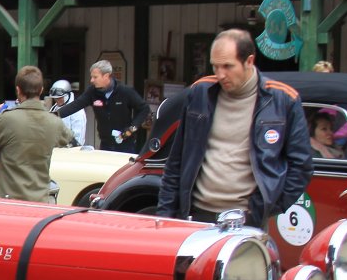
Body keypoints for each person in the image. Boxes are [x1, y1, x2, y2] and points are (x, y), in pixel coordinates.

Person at [156, 29, 314, 225]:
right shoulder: (199, 93)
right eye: (215, 66)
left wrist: (265, 208)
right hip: (196, 215)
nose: (220, 74)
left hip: (246, 219)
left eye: (228, 66)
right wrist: (164, 218)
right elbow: (176, 161)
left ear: (249, 61)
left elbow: (301, 166)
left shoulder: (283, 99)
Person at [0, 66, 74, 203]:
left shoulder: (6, 119)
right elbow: (68, 138)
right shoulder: (54, 122)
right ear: (41, 90)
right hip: (40, 200)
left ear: (18, 90)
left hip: (10, 202)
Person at [53, 60, 150, 153]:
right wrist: (52, 115)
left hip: (126, 144)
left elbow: (144, 109)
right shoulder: (92, 92)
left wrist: (132, 128)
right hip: (105, 144)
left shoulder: (125, 91)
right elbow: (75, 105)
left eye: (95, 77)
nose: (91, 80)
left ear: (106, 76)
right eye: (91, 77)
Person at [47, 80, 87, 146]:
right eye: (55, 99)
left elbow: (78, 137)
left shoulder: (77, 111)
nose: (57, 100)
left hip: (70, 149)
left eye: (60, 98)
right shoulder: (54, 108)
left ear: (67, 95)